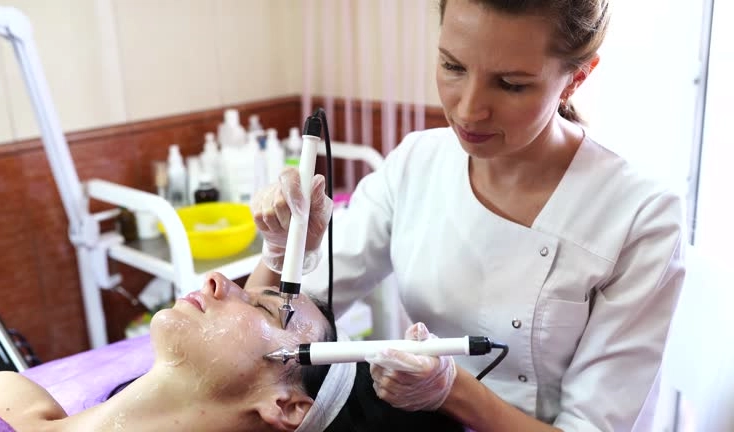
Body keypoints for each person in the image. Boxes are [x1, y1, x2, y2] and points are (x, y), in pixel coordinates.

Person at [248, 0, 686, 431]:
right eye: (453, 67)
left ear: (576, 79)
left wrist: (451, 391)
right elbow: (282, 324)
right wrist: (284, 250)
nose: (468, 109)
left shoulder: (641, 217)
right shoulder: (416, 162)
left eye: (511, 84)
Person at [0, 272, 463, 432]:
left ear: (287, 406)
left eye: (270, 312)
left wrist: (457, 393)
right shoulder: (2, 393)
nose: (219, 279)